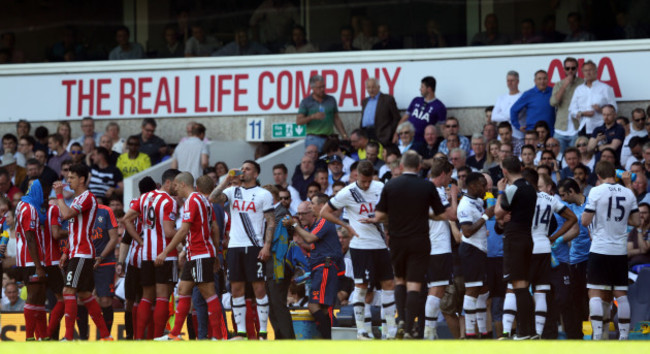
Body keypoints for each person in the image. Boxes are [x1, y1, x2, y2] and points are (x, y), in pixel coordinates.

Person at [361, 150, 446, 338]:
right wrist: (425, 214)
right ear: (419, 167)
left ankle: (400, 321)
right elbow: (441, 215)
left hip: (398, 241)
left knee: (399, 280)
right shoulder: (426, 186)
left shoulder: (391, 185)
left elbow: (380, 216)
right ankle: (408, 327)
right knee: (415, 284)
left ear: (401, 166)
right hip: (420, 241)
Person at [320, 161, 397, 339]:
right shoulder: (348, 192)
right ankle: (363, 330)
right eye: (363, 181)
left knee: (388, 285)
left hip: (380, 245)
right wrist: (346, 225)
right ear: (356, 176)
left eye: (368, 181)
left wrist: (379, 220)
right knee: (362, 287)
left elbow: (391, 210)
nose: (366, 185)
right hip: (360, 246)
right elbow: (325, 212)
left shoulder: (380, 187)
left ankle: (389, 330)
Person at [209, 160, 275, 340]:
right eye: (242, 168)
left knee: (259, 289)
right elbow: (213, 198)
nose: (243, 171)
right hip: (234, 247)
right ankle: (241, 332)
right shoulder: (232, 191)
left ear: (255, 174)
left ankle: (263, 332)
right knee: (236, 289)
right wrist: (226, 180)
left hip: (255, 246)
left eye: (248, 169)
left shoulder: (264, 194)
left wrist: (267, 245)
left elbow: (271, 220)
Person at [155, 174, 224, 341]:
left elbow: (183, 230)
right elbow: (214, 228)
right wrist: (214, 252)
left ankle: (217, 336)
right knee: (183, 290)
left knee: (208, 294)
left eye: (177, 186)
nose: (176, 189)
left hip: (200, 253)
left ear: (183, 184)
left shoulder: (192, 201)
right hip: (197, 254)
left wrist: (165, 252)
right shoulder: (205, 201)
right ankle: (174, 334)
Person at [53, 164, 112, 341]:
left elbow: (65, 216)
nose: (67, 180)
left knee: (68, 291)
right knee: (85, 294)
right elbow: (73, 230)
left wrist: (59, 196)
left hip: (82, 253)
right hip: (77, 252)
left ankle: (69, 338)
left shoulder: (87, 197)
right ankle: (106, 336)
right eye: (67, 177)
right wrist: (65, 252)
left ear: (82, 179)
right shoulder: (79, 199)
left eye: (71, 178)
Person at [581, 161, 639, 340]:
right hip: (620, 250)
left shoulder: (596, 191)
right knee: (621, 294)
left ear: (598, 176)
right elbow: (636, 221)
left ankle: (597, 336)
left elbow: (584, 221)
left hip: (600, 248)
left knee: (595, 293)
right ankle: (623, 337)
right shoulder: (628, 192)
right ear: (615, 174)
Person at [122, 168, 180, 339]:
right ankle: (156, 338)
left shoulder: (145, 197)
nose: (178, 187)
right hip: (165, 255)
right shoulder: (169, 201)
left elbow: (126, 219)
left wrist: (140, 242)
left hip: (146, 255)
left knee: (146, 298)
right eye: (176, 183)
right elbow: (169, 232)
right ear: (168, 182)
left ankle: (139, 338)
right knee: (162, 297)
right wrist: (185, 232)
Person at [282, 200, 343, 339]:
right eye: (298, 214)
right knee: (322, 308)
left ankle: (329, 340)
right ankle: (328, 339)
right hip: (319, 268)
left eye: (303, 213)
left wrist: (294, 224)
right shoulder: (313, 226)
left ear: (313, 213)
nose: (300, 216)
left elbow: (310, 239)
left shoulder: (323, 222)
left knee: (316, 306)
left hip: (325, 267)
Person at [494, 156, 537, 339]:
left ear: (505, 172)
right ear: (520, 167)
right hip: (528, 237)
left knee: (518, 287)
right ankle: (530, 331)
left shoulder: (512, 189)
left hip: (515, 240)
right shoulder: (530, 188)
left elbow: (498, 212)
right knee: (524, 286)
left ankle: (524, 332)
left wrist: (499, 192)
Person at [457, 172, 493, 339]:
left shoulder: (477, 201)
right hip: (471, 250)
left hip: (480, 250)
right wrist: (486, 216)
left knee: (483, 291)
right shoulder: (464, 205)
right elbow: (467, 231)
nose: (485, 188)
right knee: (472, 290)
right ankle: (470, 334)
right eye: (482, 185)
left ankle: (484, 332)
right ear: (472, 186)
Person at [15, 179, 47, 340]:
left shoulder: (22, 204)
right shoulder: (30, 209)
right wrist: (38, 266)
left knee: (40, 298)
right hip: (30, 258)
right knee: (34, 296)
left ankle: (43, 337)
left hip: (26, 257)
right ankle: (29, 338)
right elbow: (30, 237)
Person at [296, 75, 348, 151]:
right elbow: (299, 121)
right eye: (319, 88)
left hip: (329, 138)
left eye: (323, 86)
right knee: (314, 161)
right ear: (312, 88)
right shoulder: (306, 102)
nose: (322, 89)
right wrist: (312, 117)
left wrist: (344, 135)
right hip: (313, 139)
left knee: (331, 161)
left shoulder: (331, 99)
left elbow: (336, 119)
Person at [568, 60, 618, 136]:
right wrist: (583, 113)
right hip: (583, 127)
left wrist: (601, 110)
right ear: (583, 73)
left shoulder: (605, 88)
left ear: (596, 71)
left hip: (601, 126)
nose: (588, 73)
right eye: (585, 70)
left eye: (590, 70)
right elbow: (571, 110)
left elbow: (615, 109)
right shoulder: (579, 89)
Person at [395, 76, 446, 144]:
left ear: (429, 89)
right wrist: (396, 134)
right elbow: (404, 118)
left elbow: (443, 128)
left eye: (422, 87)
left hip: (421, 142)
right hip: (405, 138)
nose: (420, 89)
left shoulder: (439, 106)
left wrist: (447, 140)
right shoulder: (416, 100)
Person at [550, 57, 585, 152]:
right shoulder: (558, 84)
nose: (570, 71)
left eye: (573, 68)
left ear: (577, 69)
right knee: (558, 157)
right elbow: (553, 102)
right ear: (564, 69)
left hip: (576, 129)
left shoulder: (583, 83)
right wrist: (565, 85)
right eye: (567, 68)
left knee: (576, 158)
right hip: (560, 129)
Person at [510, 70, 555, 137]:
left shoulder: (553, 91)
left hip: (549, 132)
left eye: (544, 79)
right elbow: (513, 110)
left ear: (548, 80)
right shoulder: (528, 94)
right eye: (539, 79)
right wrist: (518, 126)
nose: (542, 81)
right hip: (533, 133)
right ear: (535, 81)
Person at [360, 78, 400, 146]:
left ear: (378, 87)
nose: (371, 90)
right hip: (366, 134)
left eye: (373, 87)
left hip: (382, 135)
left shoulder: (387, 99)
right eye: (368, 87)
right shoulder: (365, 101)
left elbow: (396, 118)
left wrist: (390, 133)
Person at [492, 71, 524, 139]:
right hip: (502, 137)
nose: (510, 83)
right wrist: (510, 116)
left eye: (512, 80)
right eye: (508, 81)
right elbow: (494, 117)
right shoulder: (501, 98)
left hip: (518, 135)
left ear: (517, 82)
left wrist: (502, 114)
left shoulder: (522, 97)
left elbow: (517, 115)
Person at [627, 203, 650, 268]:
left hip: (646, 267)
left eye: (644, 213)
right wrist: (640, 251)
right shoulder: (634, 231)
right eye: (639, 213)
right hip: (632, 265)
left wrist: (639, 230)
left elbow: (644, 249)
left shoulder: (638, 229)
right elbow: (628, 252)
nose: (641, 216)